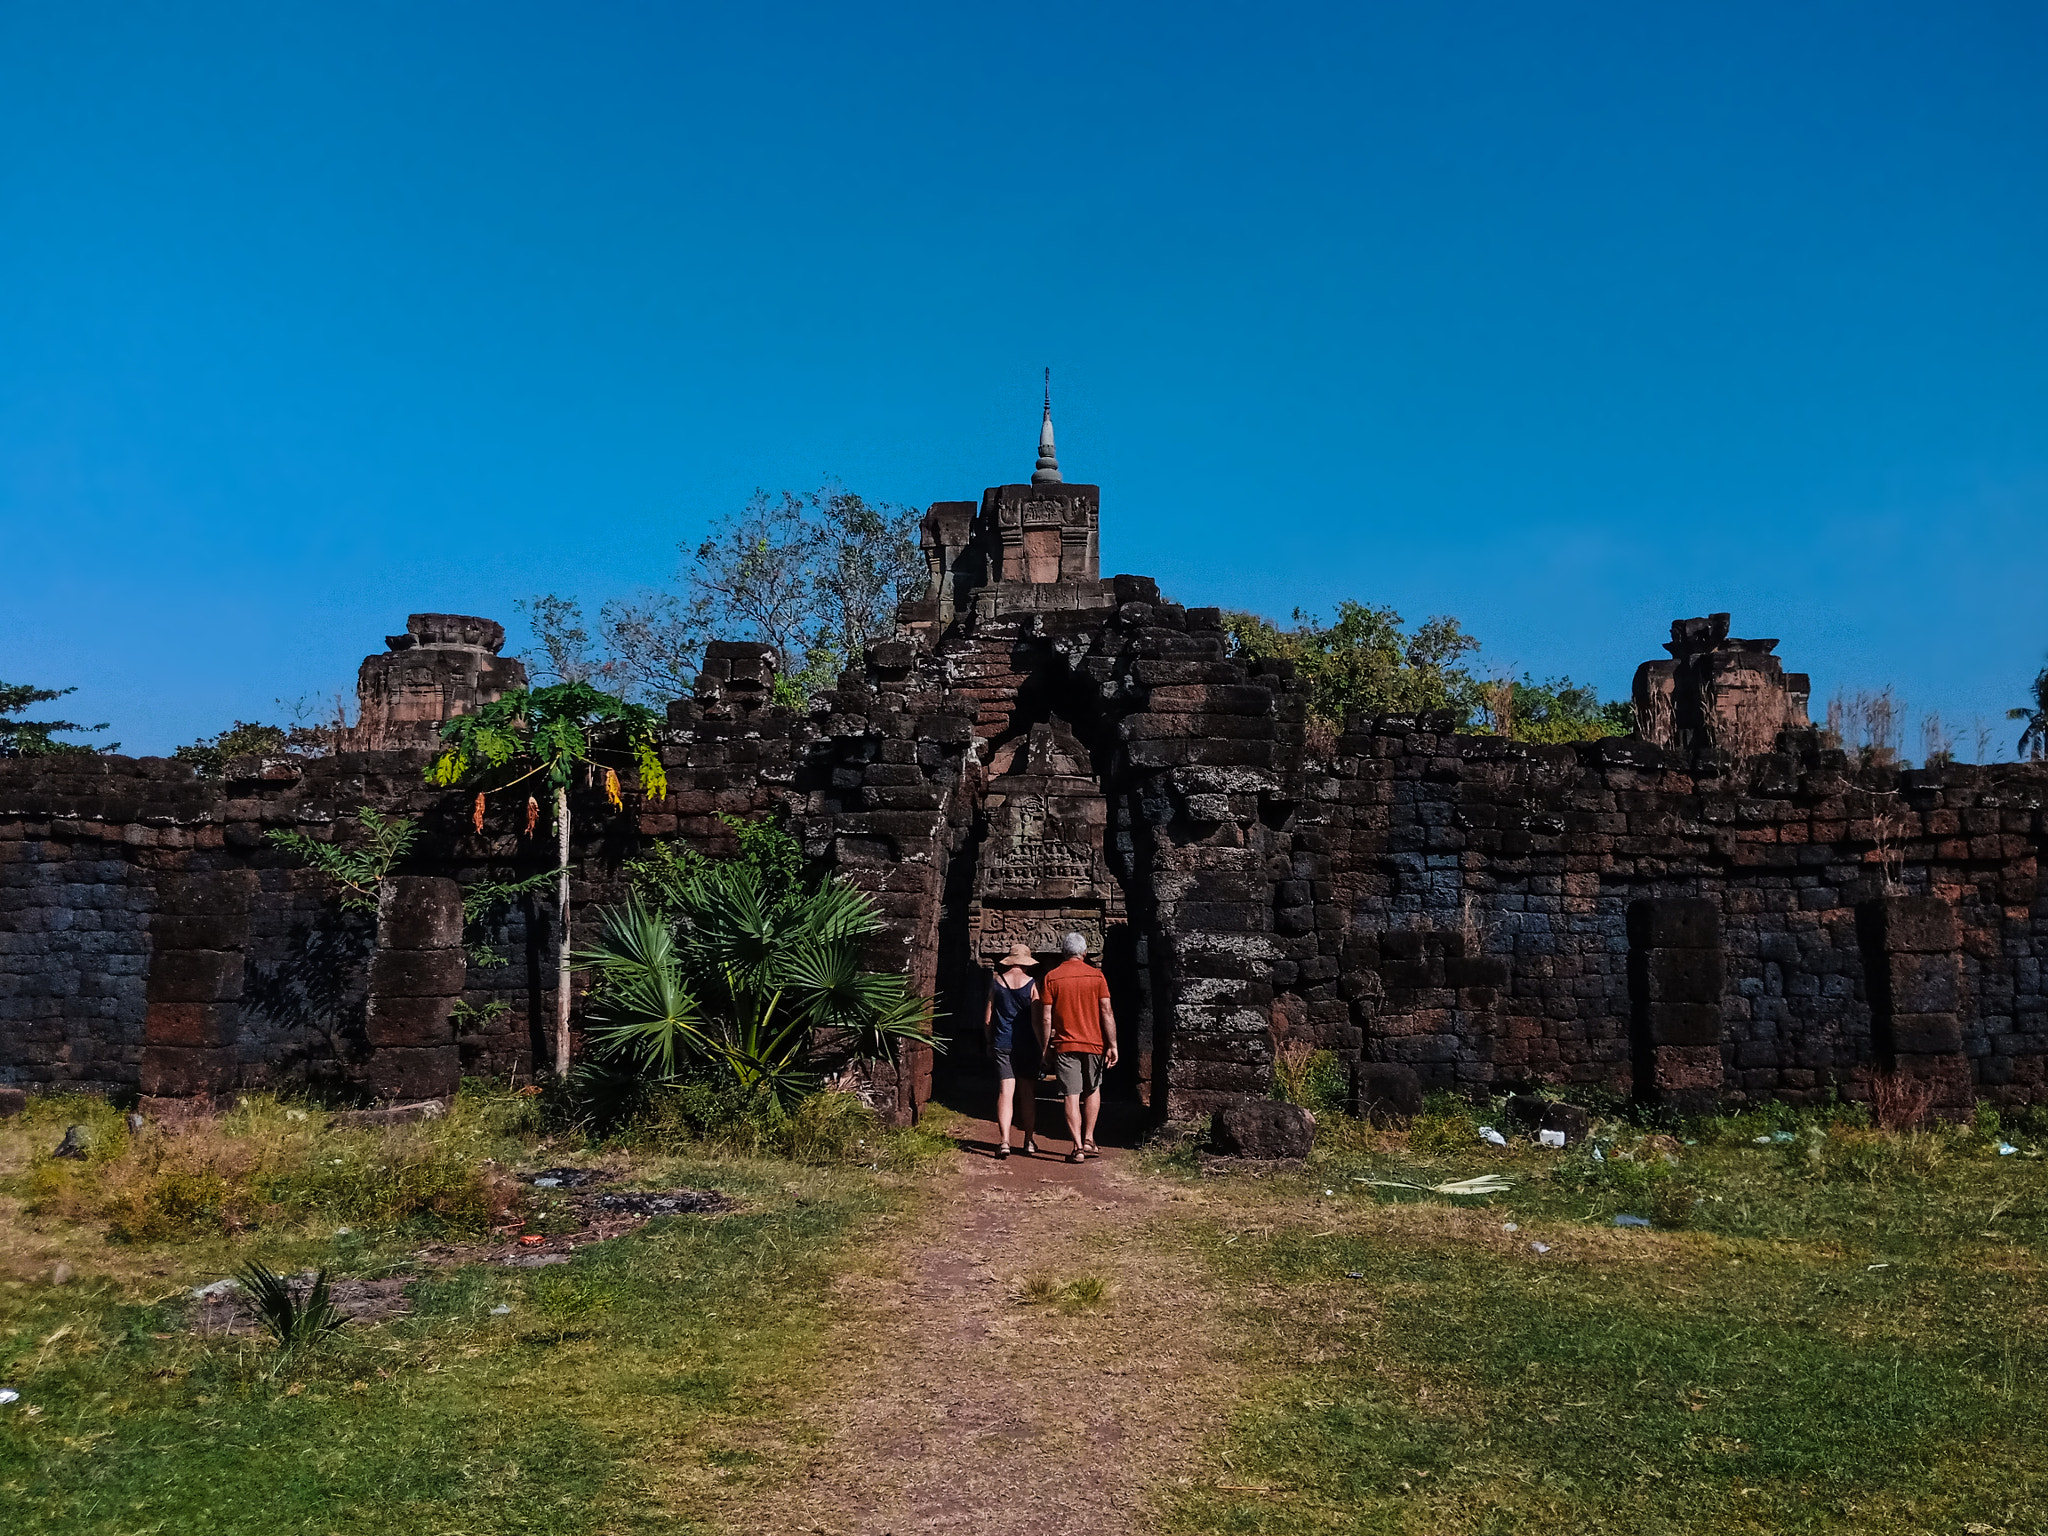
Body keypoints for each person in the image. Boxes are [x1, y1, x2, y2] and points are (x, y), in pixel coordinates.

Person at [1039, 931, 1118, 1163]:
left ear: (1064, 953)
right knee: (1093, 1088)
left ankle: (1077, 1147)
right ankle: (1090, 1138)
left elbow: (1046, 1018)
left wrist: (1045, 1048)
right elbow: (1107, 1012)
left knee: (1071, 1095)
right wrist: (1112, 1044)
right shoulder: (1097, 976)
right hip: (1094, 1042)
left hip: (1065, 1043)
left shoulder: (1051, 978)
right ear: (1084, 953)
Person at [983, 942, 1042, 1159]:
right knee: (1027, 1092)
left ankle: (1005, 1141)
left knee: (1005, 1091)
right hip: (1027, 1044)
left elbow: (988, 1018)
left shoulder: (997, 983)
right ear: (1026, 962)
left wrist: (989, 1041)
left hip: (1002, 1042)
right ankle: (1028, 1141)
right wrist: (1042, 1047)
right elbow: (1037, 1020)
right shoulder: (1032, 984)